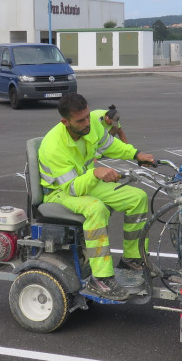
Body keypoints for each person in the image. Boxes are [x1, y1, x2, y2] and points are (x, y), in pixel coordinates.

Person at [38, 93, 155, 301]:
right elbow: (72, 188)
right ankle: (100, 278)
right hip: (60, 192)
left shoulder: (91, 124)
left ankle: (132, 259)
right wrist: (95, 173)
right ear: (65, 122)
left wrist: (135, 155)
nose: (87, 123)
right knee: (95, 208)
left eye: (87, 116)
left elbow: (110, 144)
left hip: (86, 182)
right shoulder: (53, 147)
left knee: (138, 197)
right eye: (80, 120)